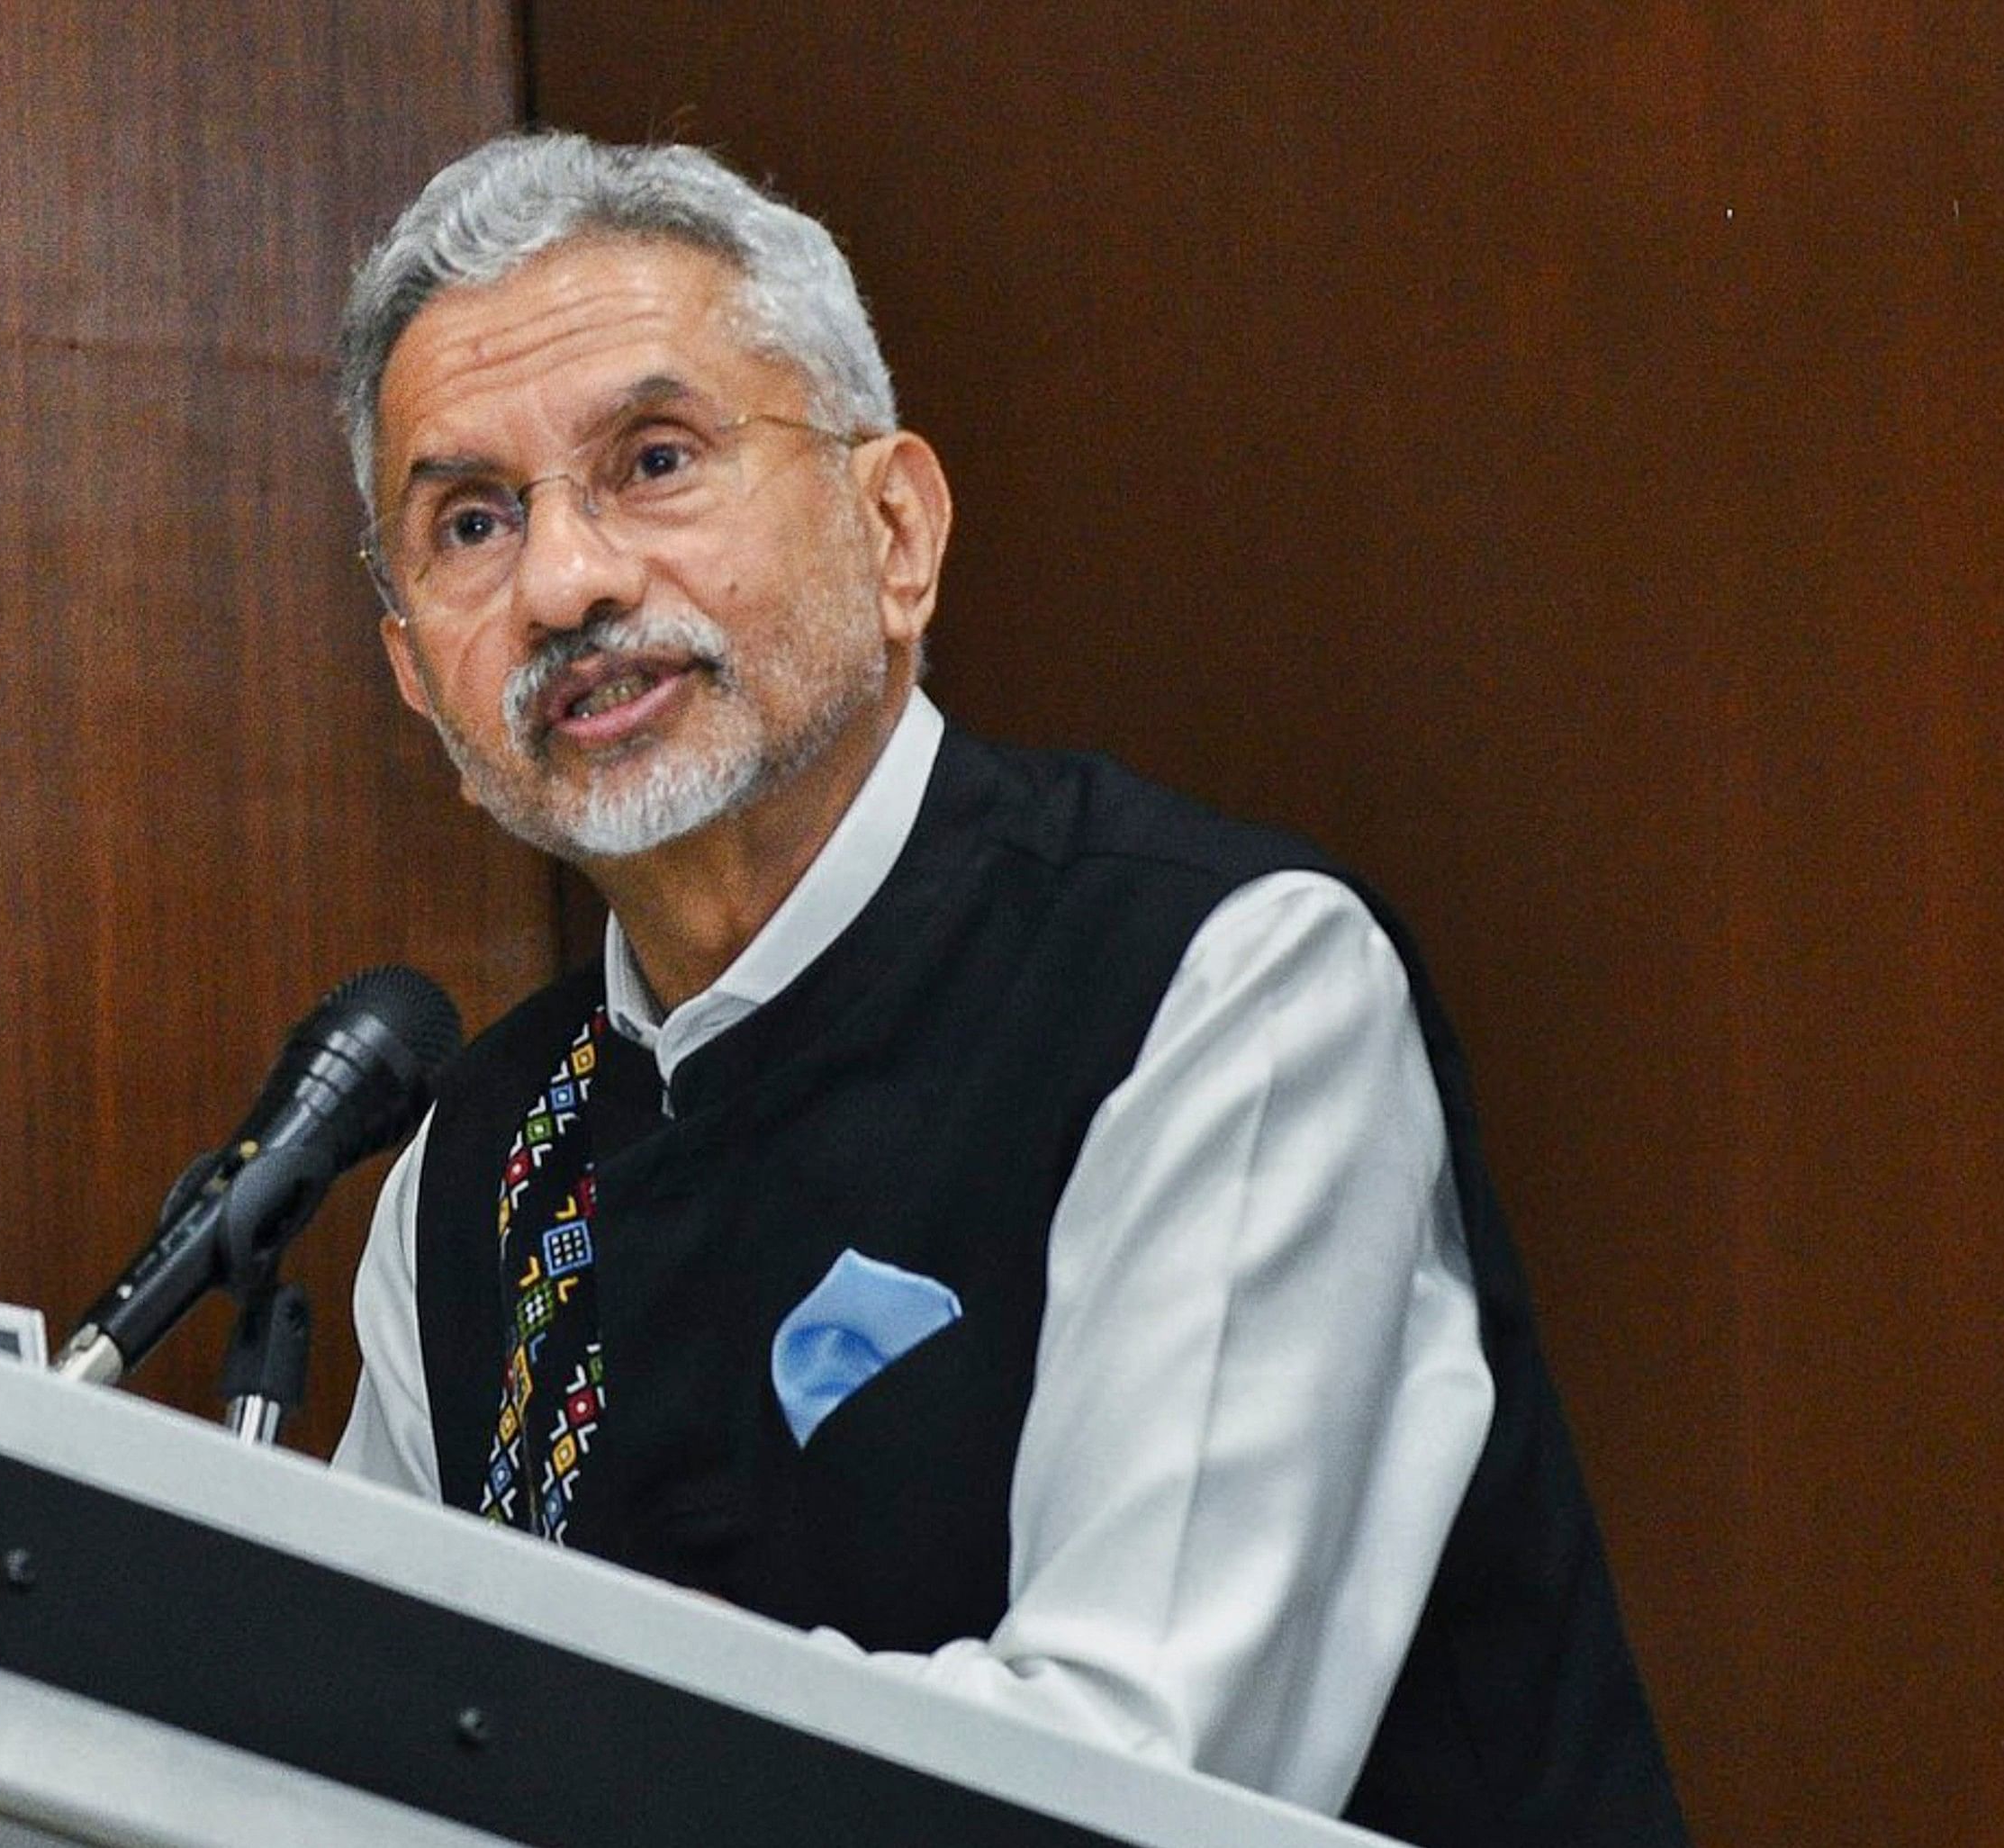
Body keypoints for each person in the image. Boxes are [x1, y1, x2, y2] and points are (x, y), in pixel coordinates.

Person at [326, 133, 1688, 1847]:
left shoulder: (1220, 985)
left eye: (654, 459)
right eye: (471, 521)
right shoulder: (472, 1165)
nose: (564, 582)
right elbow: (342, 1757)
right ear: (415, 681)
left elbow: (1119, 1779)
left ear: (893, 531)